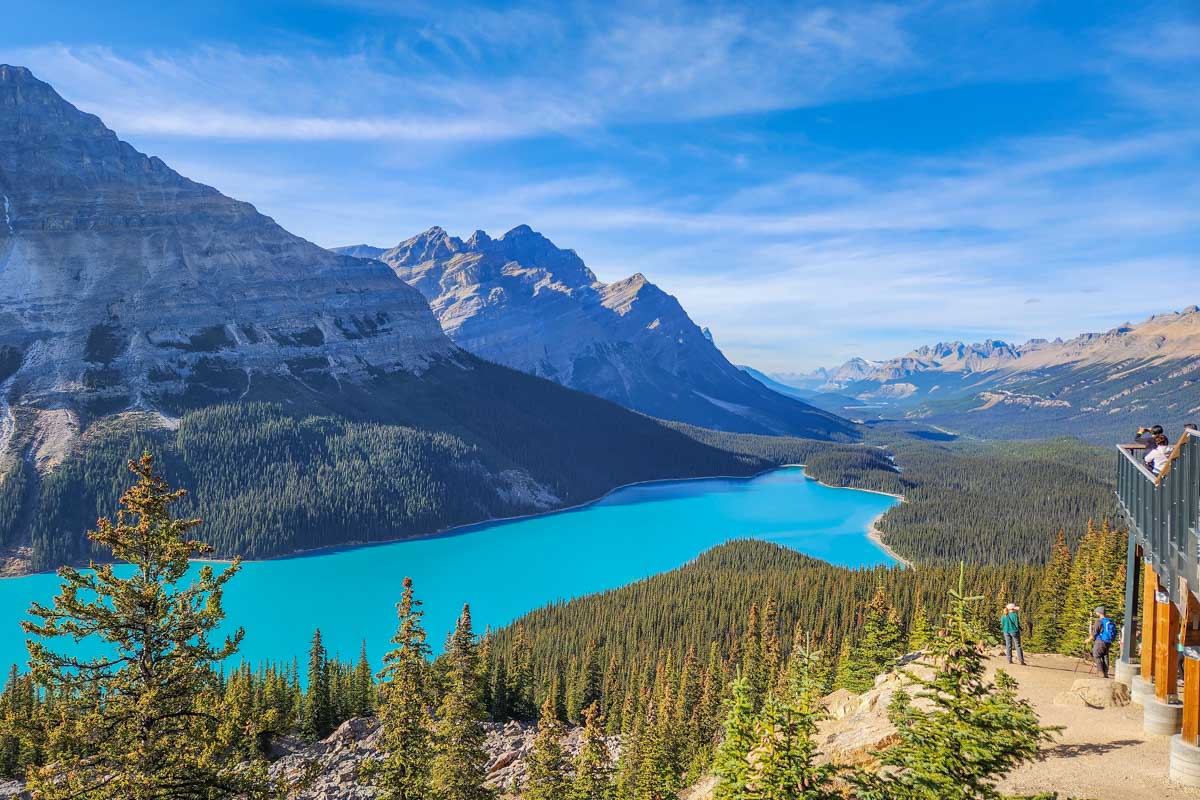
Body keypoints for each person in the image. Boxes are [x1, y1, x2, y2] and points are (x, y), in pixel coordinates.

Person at [1086, 606, 1117, 678]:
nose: (1096, 613)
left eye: (1096, 612)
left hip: (1100, 641)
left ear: (1099, 613)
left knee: (1096, 655)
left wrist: (1088, 640)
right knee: (1105, 655)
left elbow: (1094, 633)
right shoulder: (1110, 621)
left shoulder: (1099, 621)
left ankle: (1100, 672)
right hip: (1108, 642)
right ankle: (1106, 672)